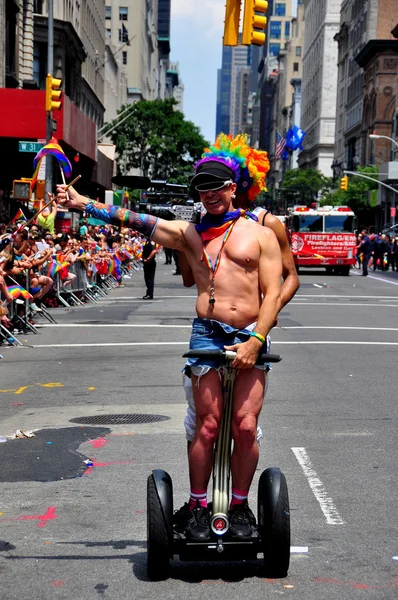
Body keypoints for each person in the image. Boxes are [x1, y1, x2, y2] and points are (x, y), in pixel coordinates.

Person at [56, 156, 282, 542]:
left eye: (217, 186)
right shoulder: (189, 234)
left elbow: (274, 292)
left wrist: (256, 339)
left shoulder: (260, 234)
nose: (210, 194)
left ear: (232, 187)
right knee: (207, 429)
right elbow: (136, 220)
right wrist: (83, 204)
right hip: (207, 335)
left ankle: (240, 506)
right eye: (202, 188)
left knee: (245, 428)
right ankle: (197, 506)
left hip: (249, 335)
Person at [177, 134, 299, 451]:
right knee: (203, 422)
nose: (215, 190)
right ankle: (198, 497)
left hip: (252, 328)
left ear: (242, 182)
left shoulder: (266, 223)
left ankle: (239, 498)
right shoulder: (204, 223)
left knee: (245, 425)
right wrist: (184, 241)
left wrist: (263, 320)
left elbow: (291, 279)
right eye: (208, 183)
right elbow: (189, 280)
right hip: (210, 329)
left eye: (228, 180)